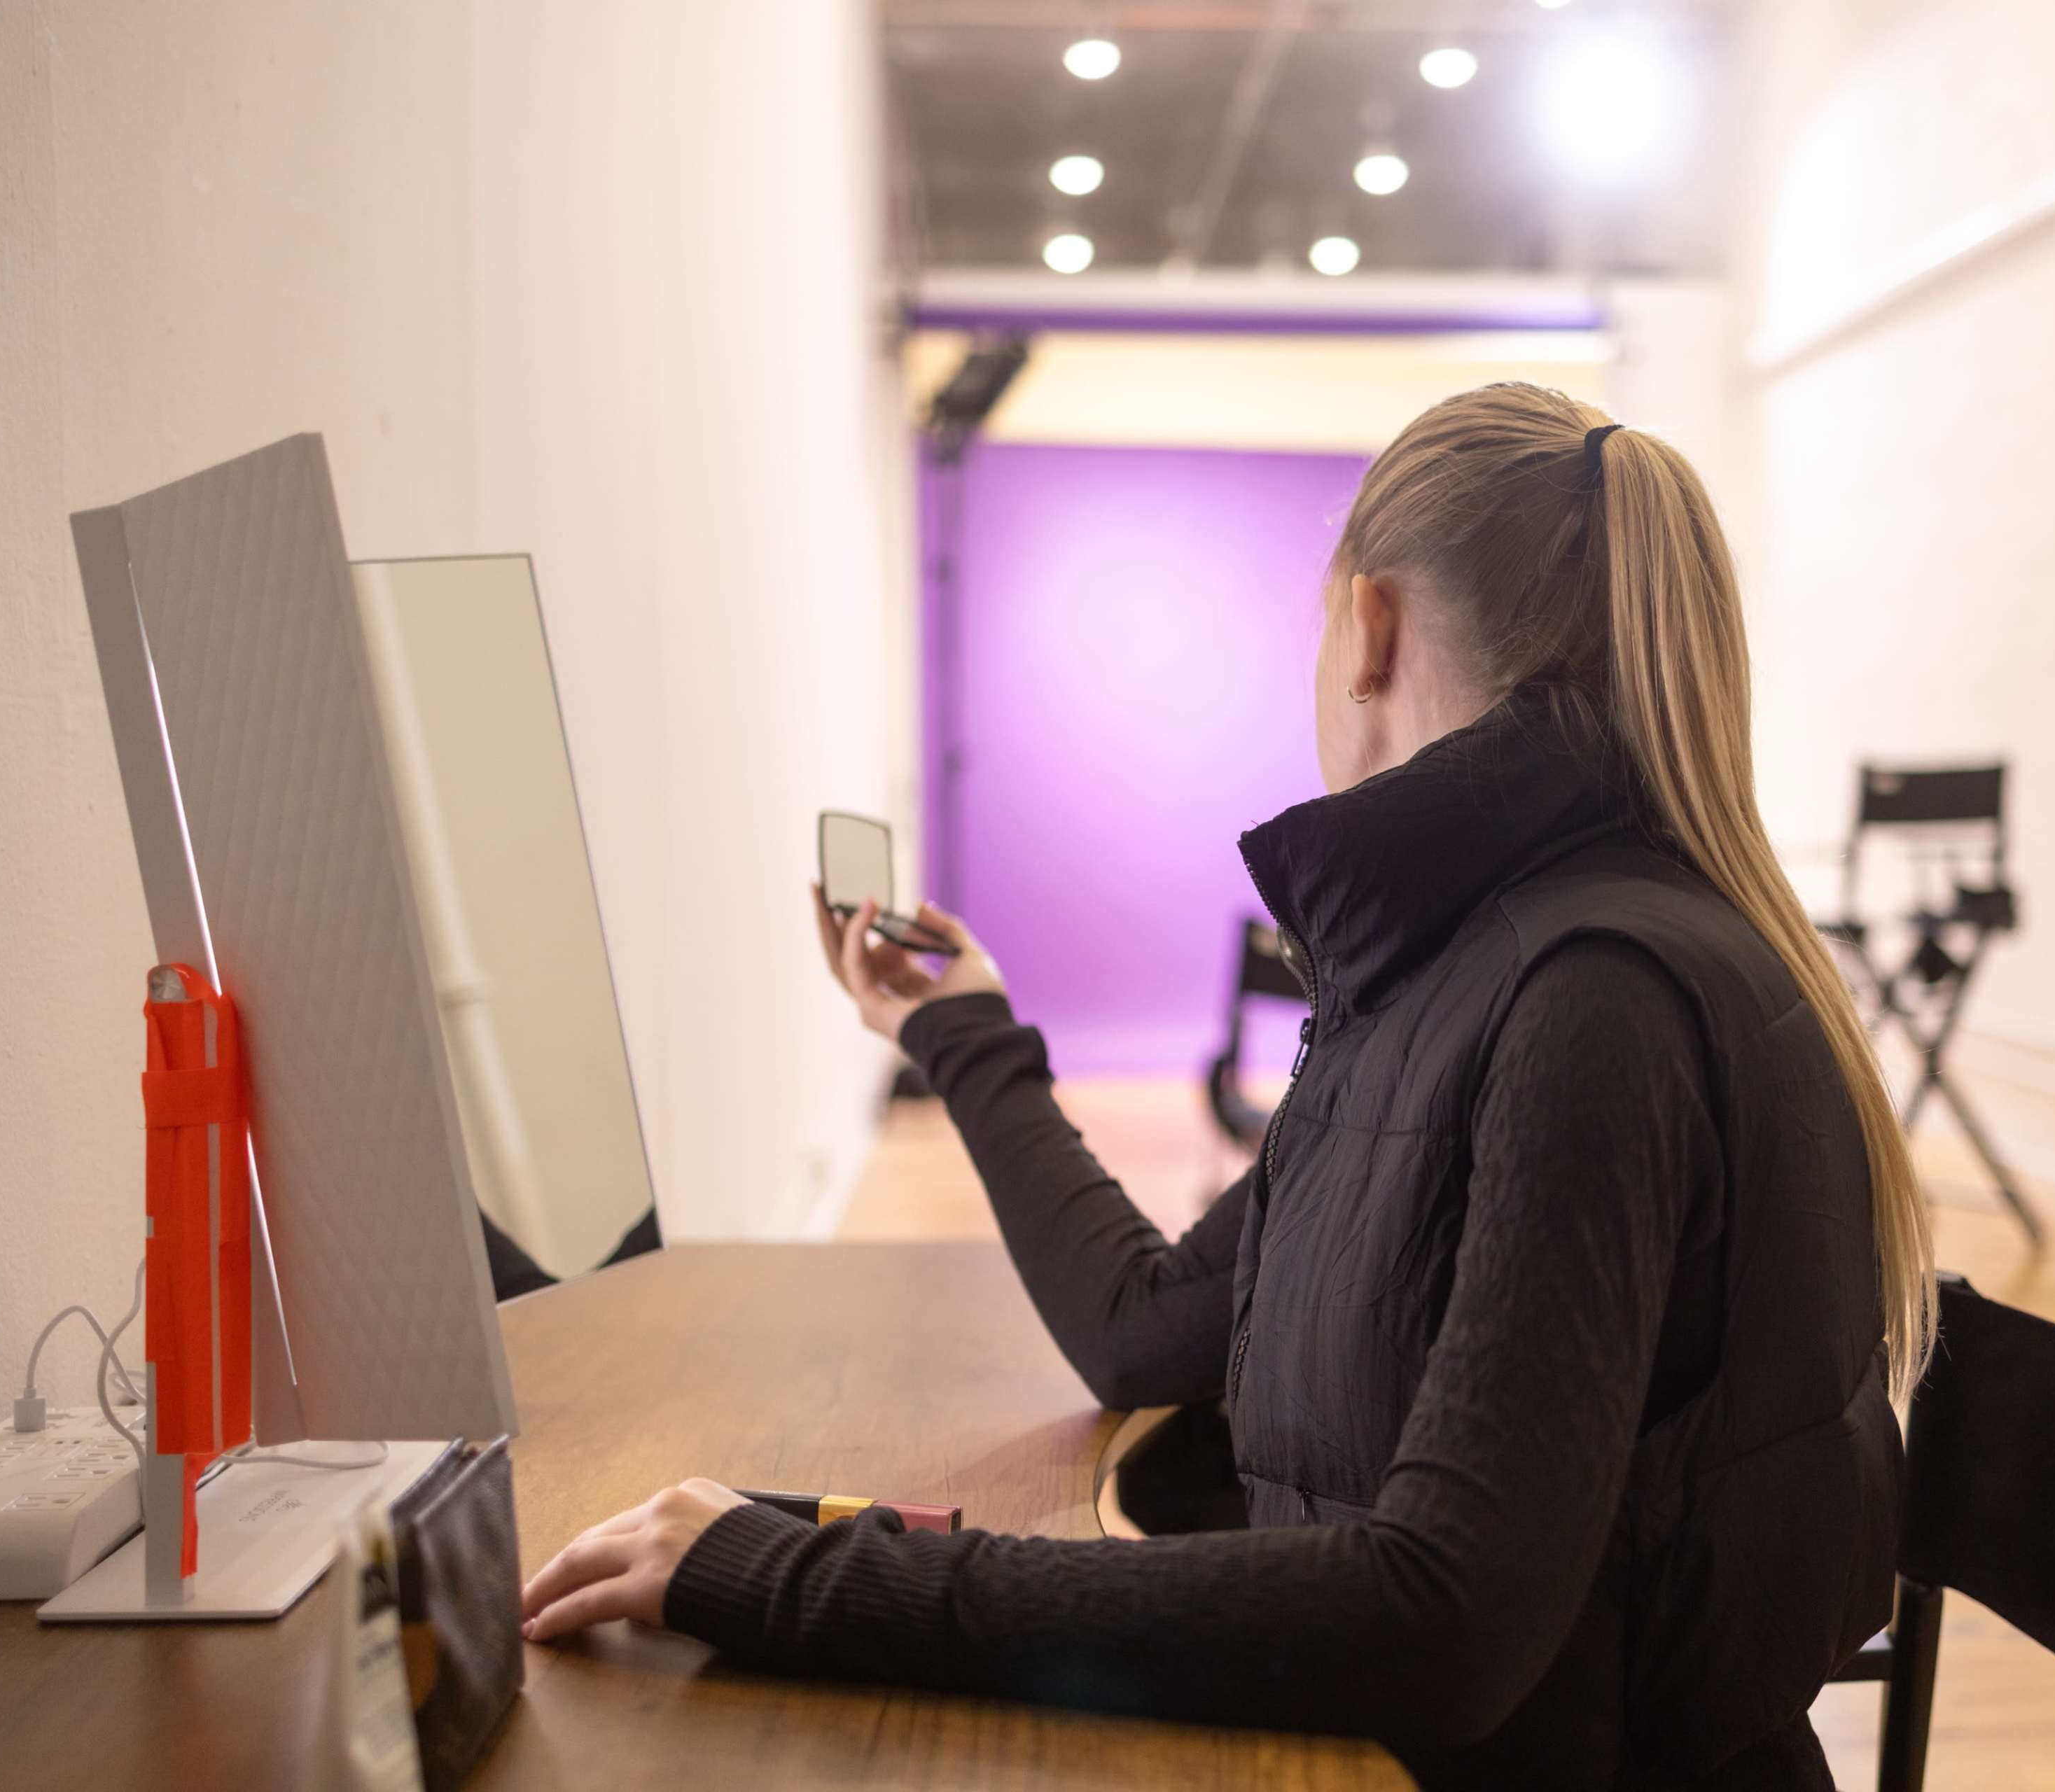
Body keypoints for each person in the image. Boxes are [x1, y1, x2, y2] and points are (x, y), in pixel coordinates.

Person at [520, 384, 1933, 1791]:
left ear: (1370, 626)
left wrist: (806, 1584)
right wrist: (965, 1031)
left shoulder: (1587, 1003)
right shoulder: (1460, 976)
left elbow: (1446, 1619)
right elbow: (1151, 1327)